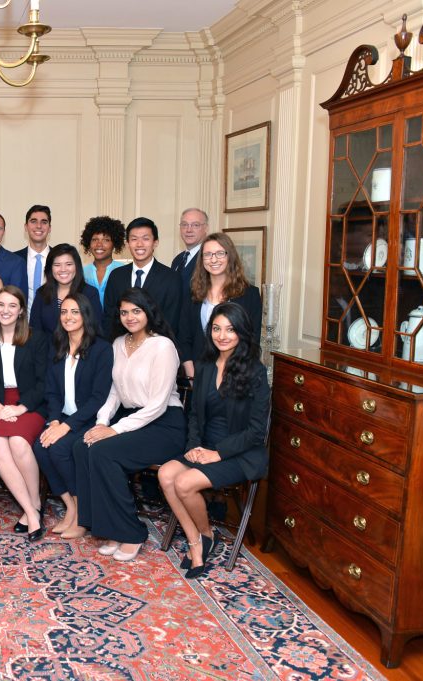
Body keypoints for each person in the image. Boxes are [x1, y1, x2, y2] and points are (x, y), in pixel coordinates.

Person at [158, 302, 270, 578]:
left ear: (242, 332)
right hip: (204, 447)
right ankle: (199, 538)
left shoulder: (255, 372)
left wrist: (217, 453)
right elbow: (195, 414)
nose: (222, 335)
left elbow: (257, 431)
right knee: (165, 474)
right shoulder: (205, 366)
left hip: (239, 453)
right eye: (217, 329)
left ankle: (203, 536)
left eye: (230, 330)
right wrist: (194, 447)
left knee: (184, 483)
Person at [75, 287, 186, 562]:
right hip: (132, 419)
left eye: (136, 311)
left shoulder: (162, 346)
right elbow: (114, 391)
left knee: (104, 452)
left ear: (148, 312)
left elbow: (158, 405)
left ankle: (132, 532)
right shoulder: (118, 344)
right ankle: (108, 527)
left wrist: (113, 430)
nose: (130, 317)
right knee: (84, 445)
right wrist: (101, 423)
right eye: (124, 312)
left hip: (164, 424)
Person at [32, 293, 113, 539]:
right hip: (62, 417)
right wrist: (54, 420)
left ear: (86, 315)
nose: (68, 317)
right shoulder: (57, 345)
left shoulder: (101, 349)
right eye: (64, 312)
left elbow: (98, 398)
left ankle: (82, 515)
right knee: (40, 447)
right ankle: (71, 506)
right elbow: (51, 391)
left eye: (75, 312)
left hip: (87, 419)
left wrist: (66, 427)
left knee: (58, 449)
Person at [0, 286, 48, 541]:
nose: (5, 310)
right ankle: (32, 512)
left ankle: (35, 503)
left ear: (20, 312)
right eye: (1, 305)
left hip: (29, 404)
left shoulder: (37, 339)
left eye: (12, 306)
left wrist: (20, 407)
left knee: (18, 442)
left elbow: (43, 383)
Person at [178, 232, 262, 382]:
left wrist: (232, 376)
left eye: (220, 253)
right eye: (208, 254)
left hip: (236, 377)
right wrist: (193, 377)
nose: (214, 259)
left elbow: (252, 341)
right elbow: (184, 338)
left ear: (230, 256)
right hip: (198, 376)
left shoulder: (250, 294)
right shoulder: (193, 294)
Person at [101, 217, 183, 339]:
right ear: (127, 243)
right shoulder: (116, 276)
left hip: (158, 349)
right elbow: (109, 318)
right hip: (122, 347)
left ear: (155, 242)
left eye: (145, 238)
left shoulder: (171, 278)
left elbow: (172, 321)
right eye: (134, 239)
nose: (139, 244)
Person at [29, 243, 102, 334]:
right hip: (47, 347)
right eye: (57, 265)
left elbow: (96, 329)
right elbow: (35, 330)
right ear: (50, 268)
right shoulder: (42, 293)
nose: (63, 269)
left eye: (68, 264)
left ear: (77, 266)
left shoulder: (90, 293)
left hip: (82, 347)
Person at [80, 216, 127, 309]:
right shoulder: (81, 273)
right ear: (88, 244)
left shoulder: (124, 272)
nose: (99, 244)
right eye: (94, 240)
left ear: (114, 244)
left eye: (106, 240)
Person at [14, 205, 52, 317]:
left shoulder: (59, 259)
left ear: (50, 228)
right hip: (19, 326)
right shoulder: (14, 260)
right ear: (26, 227)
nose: (39, 226)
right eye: (33, 221)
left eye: (44, 222)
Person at [170, 208, 210, 290]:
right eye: (184, 225)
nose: (189, 230)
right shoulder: (177, 260)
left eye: (195, 225)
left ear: (206, 228)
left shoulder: (209, 258)